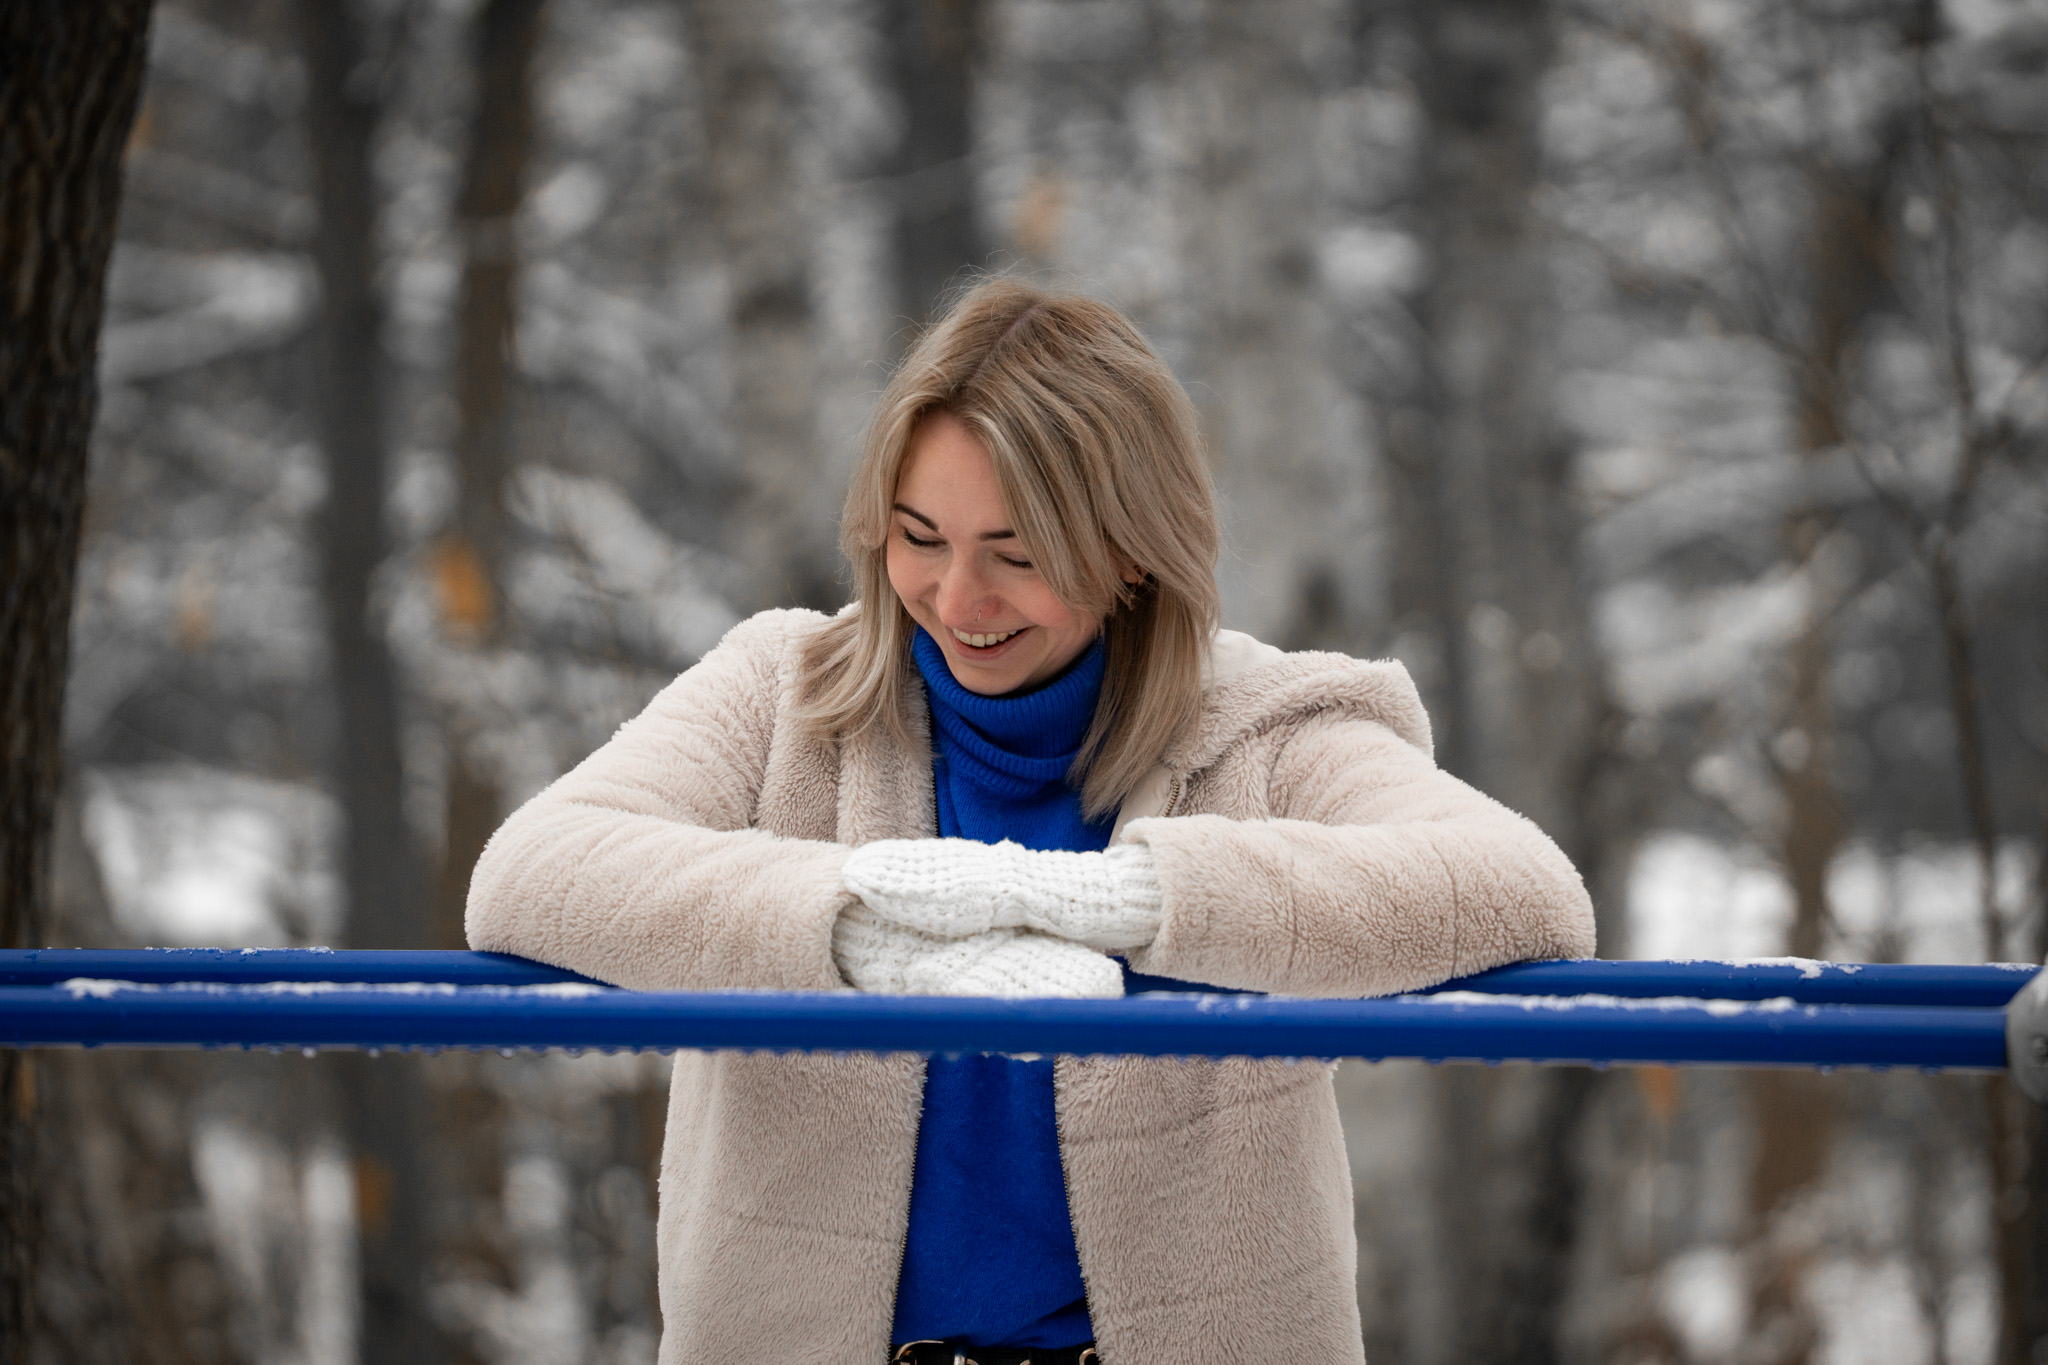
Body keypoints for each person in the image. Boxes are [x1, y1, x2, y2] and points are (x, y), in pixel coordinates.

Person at [466, 277, 1595, 1365]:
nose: (956, 602)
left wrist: (1118, 900)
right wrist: (863, 932)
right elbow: (531, 871)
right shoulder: (780, 694)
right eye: (919, 539)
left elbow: (1519, 887)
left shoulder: (1264, 730)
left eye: (1015, 554)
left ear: (1131, 552)